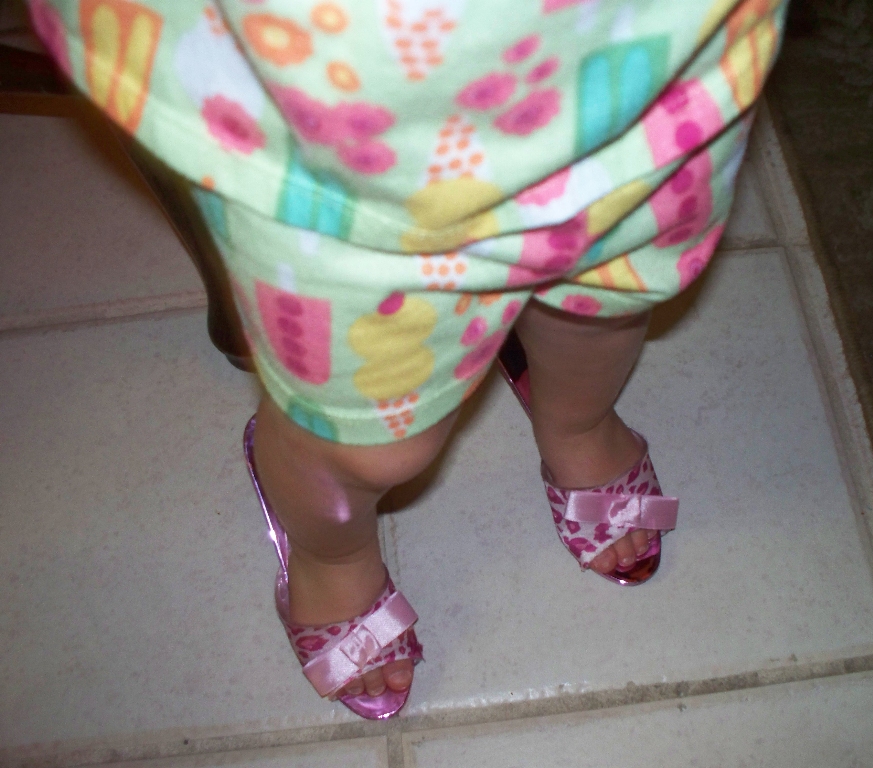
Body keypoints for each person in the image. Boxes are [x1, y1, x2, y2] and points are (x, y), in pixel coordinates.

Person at [30, 0, 787, 719]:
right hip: (343, 143)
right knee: (366, 438)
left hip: (645, 76)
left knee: (607, 306)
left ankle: (578, 421)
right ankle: (330, 553)